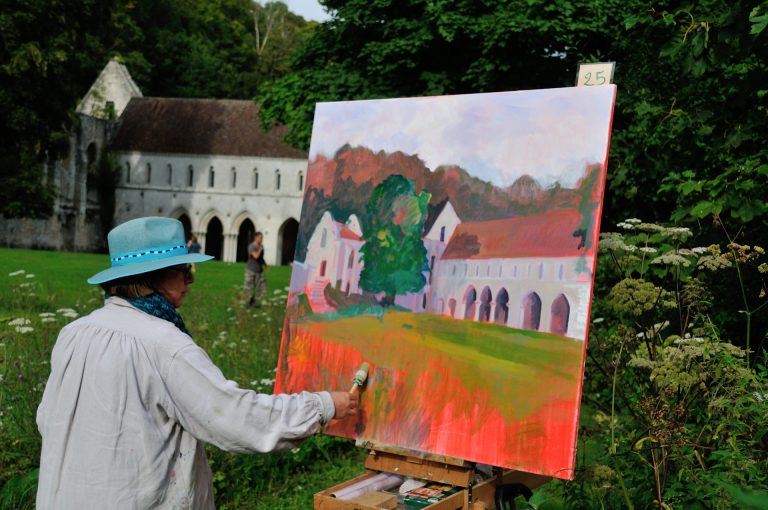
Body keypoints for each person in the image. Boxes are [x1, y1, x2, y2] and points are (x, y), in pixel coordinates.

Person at [36, 217, 357, 509]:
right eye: (183, 270)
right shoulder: (164, 344)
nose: (191, 279)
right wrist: (323, 405)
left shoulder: (75, 332)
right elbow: (237, 419)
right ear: (153, 278)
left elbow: (47, 419)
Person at [243, 231, 267, 307]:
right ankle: (247, 304)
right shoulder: (252, 246)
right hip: (251, 271)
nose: (261, 239)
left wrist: (266, 265)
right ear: (256, 238)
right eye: (260, 238)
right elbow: (256, 256)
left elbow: (260, 258)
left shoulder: (260, 246)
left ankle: (254, 301)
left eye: (262, 238)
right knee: (249, 288)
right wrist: (260, 249)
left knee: (262, 288)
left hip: (259, 271)